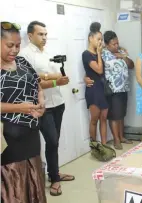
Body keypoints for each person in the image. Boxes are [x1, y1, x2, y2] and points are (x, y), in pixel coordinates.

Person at [19, 21, 74, 196]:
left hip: (58, 102)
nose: (44, 37)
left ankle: (54, 174)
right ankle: (55, 180)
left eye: (45, 34)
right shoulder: (25, 55)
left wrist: (61, 79)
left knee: (54, 142)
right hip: (44, 107)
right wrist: (56, 81)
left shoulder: (47, 52)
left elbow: (52, 75)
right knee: (52, 141)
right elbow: (32, 83)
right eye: (40, 34)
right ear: (30, 36)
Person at [1, 21, 46, 202]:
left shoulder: (21, 61)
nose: (15, 50)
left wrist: (40, 102)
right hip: (8, 138)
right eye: (10, 45)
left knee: (33, 177)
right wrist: (21, 107)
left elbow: (37, 85)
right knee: (14, 185)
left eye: (18, 46)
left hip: (31, 133)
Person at [101, 30, 134, 150]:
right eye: (113, 44)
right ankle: (116, 139)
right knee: (114, 115)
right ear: (106, 44)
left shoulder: (121, 51)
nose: (116, 46)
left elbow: (131, 65)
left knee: (121, 114)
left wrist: (123, 56)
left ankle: (122, 136)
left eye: (117, 43)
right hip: (112, 89)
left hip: (123, 87)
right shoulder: (103, 54)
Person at [82, 22, 109, 145]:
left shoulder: (100, 53)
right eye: (98, 39)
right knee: (94, 119)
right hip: (93, 89)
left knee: (104, 118)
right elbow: (99, 70)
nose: (100, 42)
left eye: (101, 40)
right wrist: (98, 53)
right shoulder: (86, 54)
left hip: (102, 88)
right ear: (90, 38)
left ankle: (104, 145)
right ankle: (94, 146)